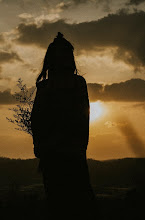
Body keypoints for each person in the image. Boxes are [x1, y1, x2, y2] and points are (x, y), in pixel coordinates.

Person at [31, 32, 98, 219]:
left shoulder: (51, 87)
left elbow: (36, 121)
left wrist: (41, 147)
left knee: (61, 206)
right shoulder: (73, 84)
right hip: (65, 154)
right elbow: (37, 121)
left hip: (60, 154)